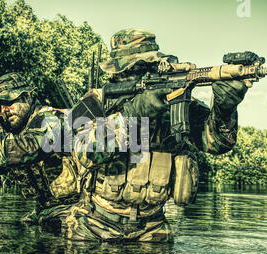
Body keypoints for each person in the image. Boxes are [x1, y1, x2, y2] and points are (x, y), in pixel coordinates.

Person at [60, 28, 249, 242]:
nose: (139, 74)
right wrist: (132, 114)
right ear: (116, 73)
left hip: (153, 228)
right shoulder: (97, 100)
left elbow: (217, 144)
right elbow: (83, 153)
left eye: (147, 67)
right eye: (132, 69)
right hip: (94, 223)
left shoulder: (174, 101)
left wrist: (225, 108)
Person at [0, 73, 80, 232]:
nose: (4, 110)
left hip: (78, 207)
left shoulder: (52, 118)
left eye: (9, 102)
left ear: (27, 97)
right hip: (47, 209)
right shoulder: (16, 131)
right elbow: (3, 166)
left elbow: (29, 148)